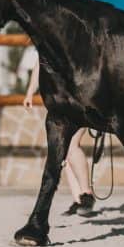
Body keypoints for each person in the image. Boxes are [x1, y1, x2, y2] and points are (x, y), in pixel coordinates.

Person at [19, 46, 95, 216]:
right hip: (63, 102)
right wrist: (30, 91)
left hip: (81, 101)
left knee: (72, 145)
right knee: (65, 150)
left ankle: (87, 193)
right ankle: (78, 199)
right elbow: (40, 63)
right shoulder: (49, 40)